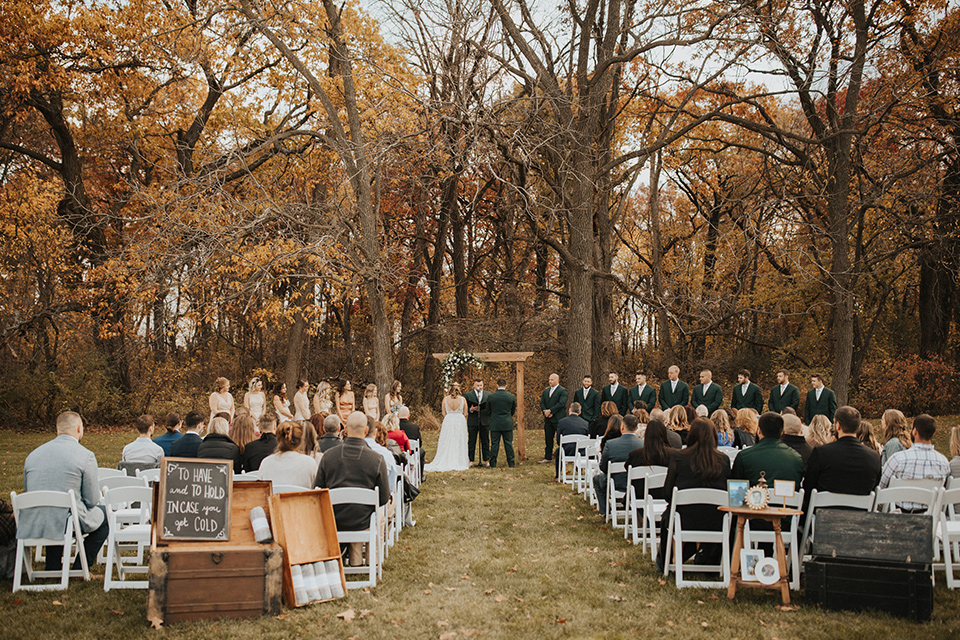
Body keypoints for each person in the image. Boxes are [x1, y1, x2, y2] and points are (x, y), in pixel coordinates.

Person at [21, 411, 109, 573]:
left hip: (34, 520)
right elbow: (91, 500)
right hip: (66, 521)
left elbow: (28, 492)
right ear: (78, 428)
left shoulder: (32, 456)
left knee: (53, 512)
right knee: (107, 516)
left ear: (57, 429)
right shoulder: (85, 456)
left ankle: (52, 566)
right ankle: (80, 568)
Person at [314, 412, 390, 567]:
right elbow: (383, 498)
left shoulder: (328, 457)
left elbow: (318, 489)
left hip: (334, 517)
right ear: (366, 430)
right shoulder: (376, 459)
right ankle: (372, 561)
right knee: (378, 514)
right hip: (363, 520)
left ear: (346, 429)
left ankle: (353, 560)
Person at [657, 417, 731, 571]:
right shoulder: (723, 460)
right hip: (716, 521)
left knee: (670, 515)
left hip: (684, 519)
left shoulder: (679, 457)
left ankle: (669, 559)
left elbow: (668, 493)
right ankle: (707, 557)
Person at [802, 406, 882, 512]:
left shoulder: (821, 453)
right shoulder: (873, 457)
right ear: (858, 427)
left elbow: (808, 486)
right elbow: (873, 487)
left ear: (837, 425)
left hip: (824, 517)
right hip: (860, 517)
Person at [879, 415, 950, 510]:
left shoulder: (898, 459)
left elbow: (881, 488)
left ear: (915, 431)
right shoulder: (943, 462)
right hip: (930, 517)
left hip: (901, 516)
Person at [732, 412, 804, 488]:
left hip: (754, 498)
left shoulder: (744, 457)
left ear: (759, 431)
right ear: (783, 432)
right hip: (785, 499)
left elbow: (736, 491)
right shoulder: (796, 458)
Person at [593, 414, 643, 516]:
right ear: (637, 428)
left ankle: (605, 512)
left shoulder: (611, 444)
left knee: (597, 479)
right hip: (636, 483)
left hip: (615, 482)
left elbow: (603, 467)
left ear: (622, 427)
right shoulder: (643, 444)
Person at [259, 421, 319, 489]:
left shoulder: (266, 463)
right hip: (301, 499)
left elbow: (261, 492)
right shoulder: (309, 462)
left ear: (278, 439)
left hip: (274, 499)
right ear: (300, 440)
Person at [425, 382, 470, 472]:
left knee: (447, 439)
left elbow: (443, 413)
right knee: (459, 440)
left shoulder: (445, 399)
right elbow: (465, 413)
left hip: (448, 420)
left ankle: (447, 458)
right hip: (460, 420)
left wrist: (450, 416)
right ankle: (459, 460)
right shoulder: (463, 399)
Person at [627, 418, 675, 500]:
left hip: (640, 495)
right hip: (665, 495)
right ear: (664, 434)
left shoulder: (635, 455)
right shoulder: (673, 455)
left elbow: (627, 470)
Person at [553, 402, 589, 479]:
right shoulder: (585, 423)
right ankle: (579, 471)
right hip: (581, 451)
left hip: (566, 450)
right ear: (579, 412)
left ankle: (558, 474)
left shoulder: (562, 422)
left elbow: (559, 440)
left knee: (558, 451)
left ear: (569, 410)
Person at [488, 378, 517, 468]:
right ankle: (511, 462)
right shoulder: (511, 396)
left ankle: (493, 463)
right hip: (507, 422)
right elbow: (513, 410)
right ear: (506, 386)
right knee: (508, 443)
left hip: (495, 423)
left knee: (494, 444)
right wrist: (508, 415)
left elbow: (488, 410)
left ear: (497, 385)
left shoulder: (491, 396)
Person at [540, 373, 569, 463]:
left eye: (552, 380)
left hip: (558, 418)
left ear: (557, 380)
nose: (550, 381)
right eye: (549, 379)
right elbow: (542, 403)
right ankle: (547, 457)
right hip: (548, 419)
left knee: (561, 438)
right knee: (548, 438)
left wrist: (551, 411)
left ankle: (565, 457)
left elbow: (561, 403)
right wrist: (545, 411)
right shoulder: (546, 391)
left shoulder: (563, 391)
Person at [465, 378, 490, 467]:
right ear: (474, 386)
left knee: (485, 441)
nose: (479, 387)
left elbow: (490, 407)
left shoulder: (488, 395)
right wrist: (471, 409)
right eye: (477, 385)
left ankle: (486, 459)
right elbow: (465, 407)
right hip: (473, 421)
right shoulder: (468, 395)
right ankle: (470, 460)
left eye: (481, 385)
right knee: (472, 441)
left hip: (484, 420)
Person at [398, 406, 424, 474]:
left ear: (398, 415)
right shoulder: (415, 427)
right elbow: (419, 444)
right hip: (411, 452)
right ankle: (420, 475)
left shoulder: (395, 427)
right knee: (422, 452)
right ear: (408, 416)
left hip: (398, 452)